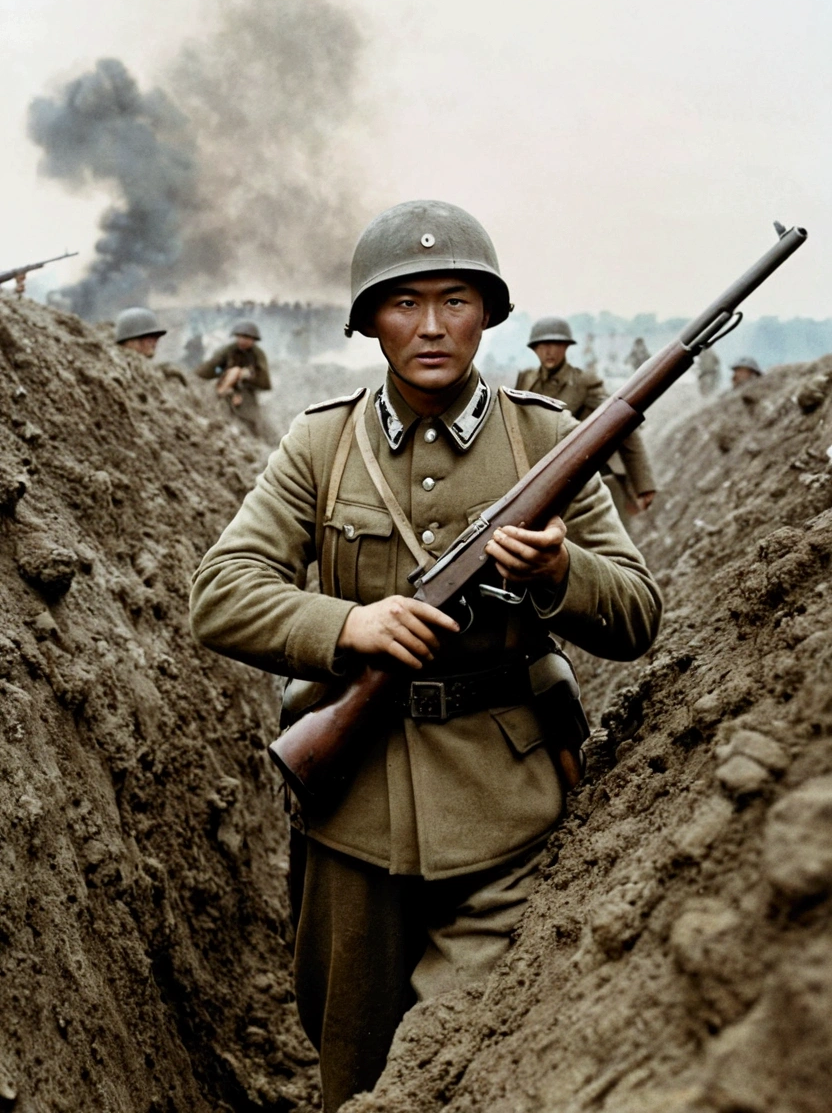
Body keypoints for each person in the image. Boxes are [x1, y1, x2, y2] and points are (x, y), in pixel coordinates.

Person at [190, 200, 662, 1112]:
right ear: (370, 322)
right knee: (353, 1070)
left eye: (456, 300)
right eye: (405, 302)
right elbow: (221, 590)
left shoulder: (547, 441)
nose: (434, 325)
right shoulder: (321, 443)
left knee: (461, 1070)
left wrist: (562, 570)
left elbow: (639, 611)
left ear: (489, 313)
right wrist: (345, 626)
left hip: (506, 809)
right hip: (352, 805)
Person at [515, 318, 656, 523]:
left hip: (582, 479)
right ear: (534, 349)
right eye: (542, 345)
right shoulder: (527, 380)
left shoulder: (584, 382)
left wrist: (644, 485)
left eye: (556, 345)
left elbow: (622, 425)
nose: (549, 351)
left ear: (566, 347)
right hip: (538, 482)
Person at [195, 320, 272, 436]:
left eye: (246, 338)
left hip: (247, 392)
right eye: (240, 337)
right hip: (226, 388)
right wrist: (198, 375)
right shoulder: (229, 350)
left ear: (253, 339)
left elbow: (264, 381)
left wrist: (247, 375)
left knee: (250, 419)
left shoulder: (258, 355)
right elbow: (213, 367)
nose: (242, 341)